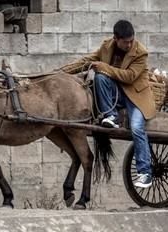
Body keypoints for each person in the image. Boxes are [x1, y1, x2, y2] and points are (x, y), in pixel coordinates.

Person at [60, 20, 156, 188]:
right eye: (125, 42)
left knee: (136, 127)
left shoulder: (140, 53)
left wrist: (103, 67)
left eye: (131, 41)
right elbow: (88, 61)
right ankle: (110, 115)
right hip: (117, 95)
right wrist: (60, 73)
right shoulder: (107, 47)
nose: (129, 44)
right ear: (116, 39)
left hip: (136, 97)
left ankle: (145, 172)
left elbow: (129, 77)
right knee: (100, 77)